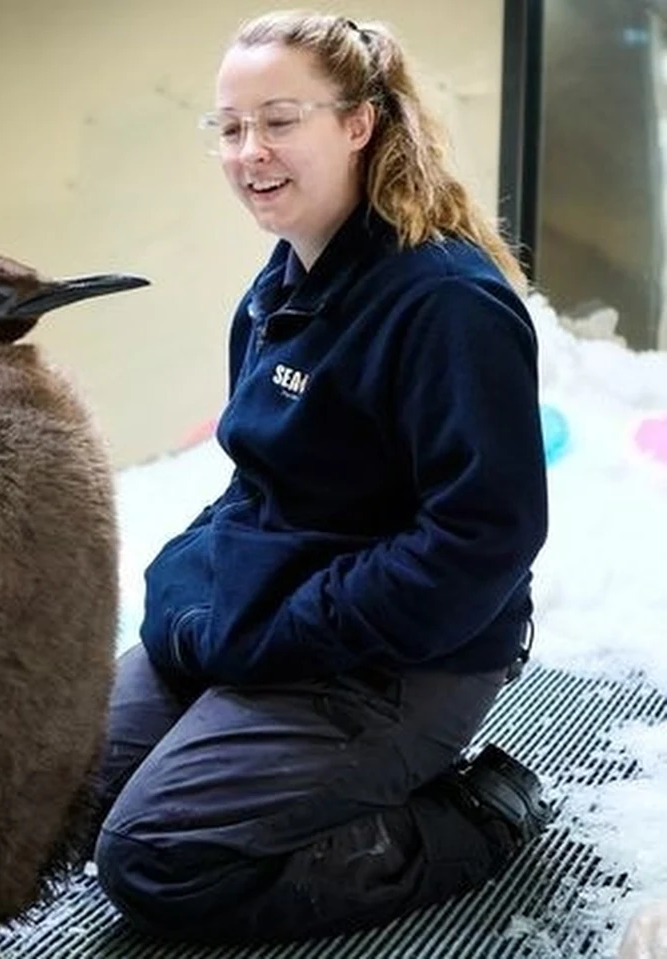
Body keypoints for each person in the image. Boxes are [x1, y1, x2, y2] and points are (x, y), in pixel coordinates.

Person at [90, 10, 554, 946]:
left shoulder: (446, 305)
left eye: (279, 120)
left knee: (157, 857)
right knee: (49, 782)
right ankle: (282, 761)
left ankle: (471, 817)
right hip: (287, 620)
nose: (248, 151)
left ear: (359, 124)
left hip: (408, 654)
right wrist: (189, 590)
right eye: (229, 127)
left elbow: (480, 542)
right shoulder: (282, 287)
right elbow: (257, 486)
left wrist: (281, 632)